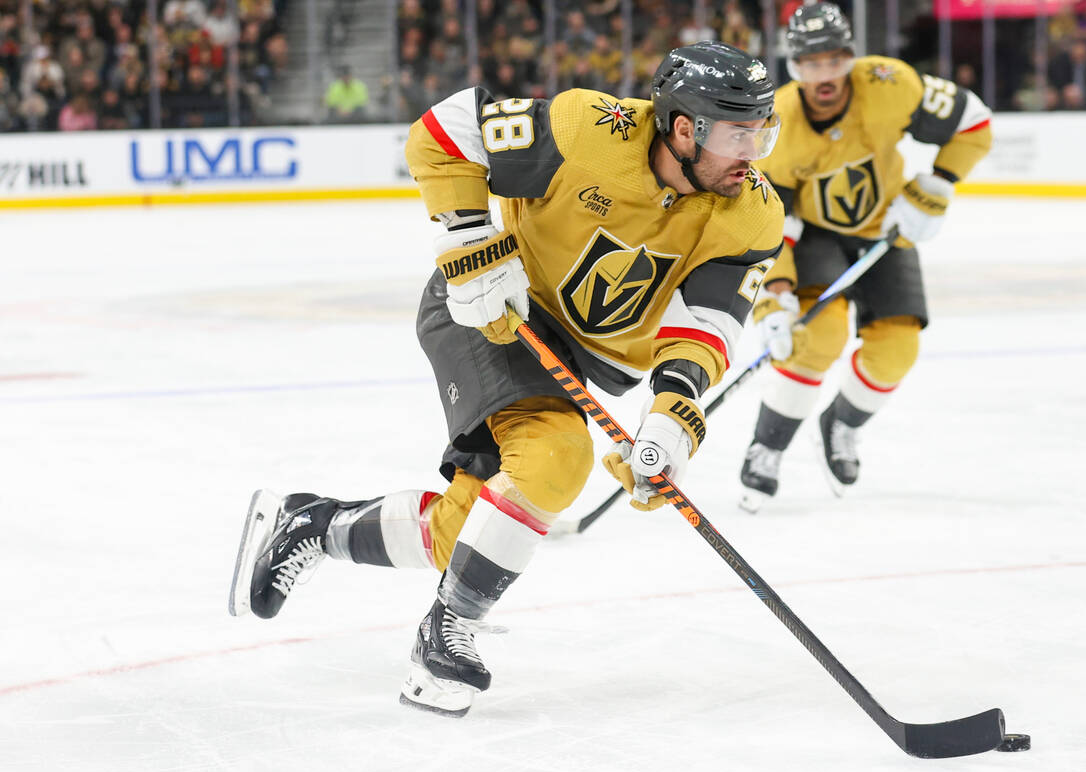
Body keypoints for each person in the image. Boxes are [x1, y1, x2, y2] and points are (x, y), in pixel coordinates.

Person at [230, 42, 784, 716]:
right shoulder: (590, 129)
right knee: (557, 458)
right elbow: (444, 130)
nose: (754, 150)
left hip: (578, 354)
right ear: (684, 127)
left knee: (462, 532)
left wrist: (671, 417)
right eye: (738, 132)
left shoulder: (752, 210)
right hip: (493, 311)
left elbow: (704, 325)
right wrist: (469, 245)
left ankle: (313, 526)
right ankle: (447, 630)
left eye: (763, 129)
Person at [736, 2, 992, 512]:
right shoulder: (776, 122)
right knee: (816, 339)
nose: (824, 74)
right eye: (811, 63)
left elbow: (973, 121)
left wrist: (937, 184)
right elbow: (766, 217)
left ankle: (841, 425)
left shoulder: (890, 83)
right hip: (813, 237)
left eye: (834, 60)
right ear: (793, 66)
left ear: (851, 57)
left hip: (885, 229)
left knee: (898, 351)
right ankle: (768, 445)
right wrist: (776, 296)